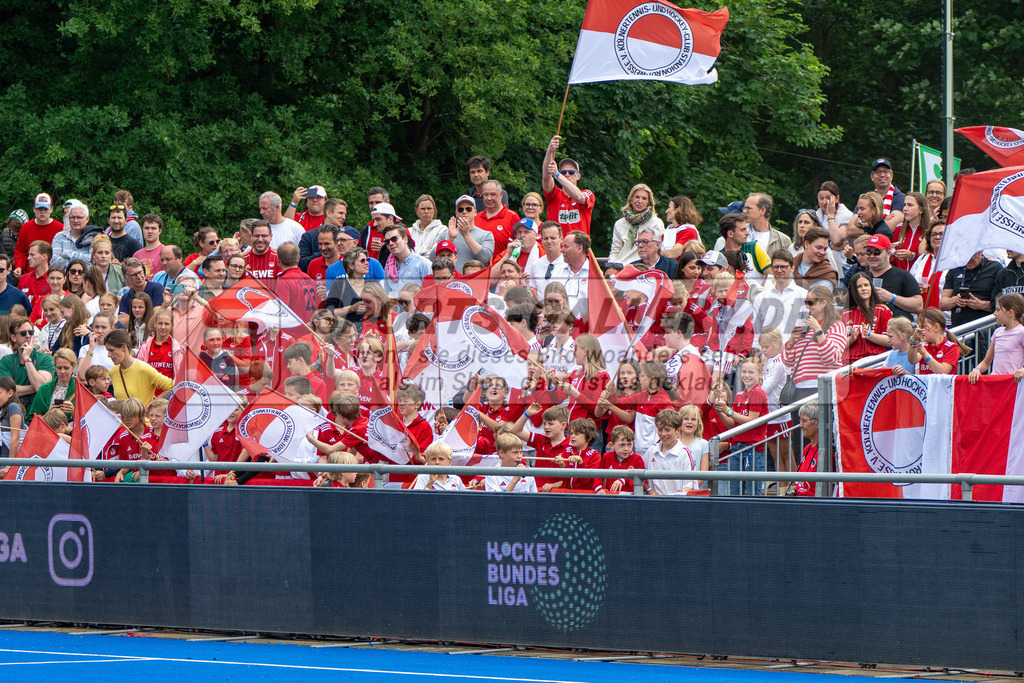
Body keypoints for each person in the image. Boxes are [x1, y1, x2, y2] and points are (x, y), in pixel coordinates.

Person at [782, 286, 845, 456]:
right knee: (800, 439)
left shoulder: (836, 326)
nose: (807, 306)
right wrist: (790, 343)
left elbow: (832, 357)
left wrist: (818, 331)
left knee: (821, 437)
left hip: (821, 389)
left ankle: (821, 479)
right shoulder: (803, 327)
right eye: (806, 302)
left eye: (811, 302)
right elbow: (787, 360)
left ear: (824, 303)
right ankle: (803, 477)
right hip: (799, 390)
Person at [713, 356, 768, 495]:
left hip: (753, 448)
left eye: (751, 372)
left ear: (760, 374)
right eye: (744, 372)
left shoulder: (758, 392)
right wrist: (720, 411)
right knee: (734, 489)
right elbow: (733, 424)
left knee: (752, 490)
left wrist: (727, 410)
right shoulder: (739, 395)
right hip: (738, 446)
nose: (746, 375)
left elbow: (751, 421)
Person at [542, 136, 595, 236]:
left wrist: (558, 175)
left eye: (571, 172)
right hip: (558, 249)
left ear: (578, 176)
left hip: (579, 248)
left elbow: (579, 197)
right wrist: (549, 151)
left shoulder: (587, 193)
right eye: (563, 172)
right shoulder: (555, 195)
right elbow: (546, 177)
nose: (566, 174)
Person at [104, 329, 174, 403]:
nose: (108, 355)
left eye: (111, 350)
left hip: (143, 415)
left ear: (124, 347)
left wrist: (151, 405)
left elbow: (171, 386)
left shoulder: (143, 368)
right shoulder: (113, 371)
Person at [864, 234, 923, 319]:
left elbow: (918, 306)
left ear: (888, 253)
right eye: (869, 252)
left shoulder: (903, 275)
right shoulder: (861, 277)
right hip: (868, 325)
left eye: (877, 252)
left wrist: (891, 297)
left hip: (895, 327)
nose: (872, 256)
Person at [969, 293, 1024, 383]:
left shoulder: (1021, 332)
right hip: (996, 382)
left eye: (998, 310)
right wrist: (977, 369)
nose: (994, 313)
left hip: (1013, 384)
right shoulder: (998, 332)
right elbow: (986, 362)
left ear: (1010, 312)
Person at [0, 317, 55, 408]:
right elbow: (5, 392)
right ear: (13, 337)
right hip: (12, 414)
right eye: (23, 333)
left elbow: (40, 386)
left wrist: (26, 358)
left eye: (31, 332)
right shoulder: (6, 361)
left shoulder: (45, 358)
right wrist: (36, 387)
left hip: (38, 415)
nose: (28, 336)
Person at [642, 408, 697, 495]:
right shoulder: (651, 451)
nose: (663, 434)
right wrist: (650, 490)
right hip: (654, 503)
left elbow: (691, 484)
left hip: (676, 503)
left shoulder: (684, 453)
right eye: (660, 430)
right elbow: (640, 476)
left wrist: (684, 491)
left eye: (667, 430)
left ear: (678, 430)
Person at [941, 251, 1003, 328]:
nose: (969, 260)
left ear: (981, 251)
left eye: (972, 256)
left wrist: (980, 304)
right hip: (959, 327)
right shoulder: (955, 269)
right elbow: (942, 304)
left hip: (984, 327)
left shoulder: (995, 268)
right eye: (965, 257)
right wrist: (955, 300)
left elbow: (1003, 305)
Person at [609, 183, 664, 265]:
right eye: (637, 197)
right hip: (621, 267)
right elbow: (615, 251)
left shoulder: (656, 223)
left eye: (644, 198)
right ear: (631, 199)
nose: (640, 201)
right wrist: (610, 267)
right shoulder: (620, 223)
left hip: (644, 267)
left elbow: (659, 249)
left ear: (649, 202)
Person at [842, 272, 893, 362]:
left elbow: (890, 341)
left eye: (866, 285)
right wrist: (852, 339)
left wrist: (870, 335)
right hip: (849, 362)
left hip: (875, 361)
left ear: (871, 287)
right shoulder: (845, 314)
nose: (864, 289)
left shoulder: (883, 310)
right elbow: (839, 345)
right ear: (853, 290)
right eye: (859, 286)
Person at [13, 193, 63, 277]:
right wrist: (19, 267)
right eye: (39, 209)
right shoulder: (26, 227)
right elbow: (20, 252)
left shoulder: (60, 228)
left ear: (51, 209)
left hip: (53, 275)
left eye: (45, 209)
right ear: (34, 209)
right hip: (30, 275)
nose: (42, 212)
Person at [908, 308, 968, 375]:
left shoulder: (952, 347)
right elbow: (912, 360)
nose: (920, 330)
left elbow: (943, 371)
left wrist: (924, 353)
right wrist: (914, 342)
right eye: (919, 327)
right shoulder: (924, 345)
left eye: (923, 327)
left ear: (936, 327)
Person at [446, 196, 494, 270]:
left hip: (474, 279)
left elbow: (485, 258)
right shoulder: (448, 233)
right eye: (460, 209)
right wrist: (449, 239)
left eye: (468, 209)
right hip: (452, 279)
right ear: (456, 213)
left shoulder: (486, 235)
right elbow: (433, 258)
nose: (464, 212)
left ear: (475, 212)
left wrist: (466, 235)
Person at [382, 224, 431, 297]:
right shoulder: (388, 266)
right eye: (387, 242)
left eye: (394, 239)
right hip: (395, 308)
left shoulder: (423, 264)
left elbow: (431, 294)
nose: (391, 243)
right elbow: (387, 292)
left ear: (405, 239)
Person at [27, 348, 77, 420]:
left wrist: (73, 411)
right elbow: (33, 419)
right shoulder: (44, 389)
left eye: (66, 368)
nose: (62, 371)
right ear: (55, 367)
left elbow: (87, 420)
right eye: (59, 368)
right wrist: (49, 413)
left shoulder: (80, 389)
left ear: (74, 367)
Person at [51, 201, 103, 269]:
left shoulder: (93, 237)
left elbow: (92, 261)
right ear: (69, 219)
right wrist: (80, 264)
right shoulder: (59, 236)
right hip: (63, 279)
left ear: (87, 219)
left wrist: (67, 254)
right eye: (72, 217)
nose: (75, 220)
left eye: (79, 217)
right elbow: (54, 261)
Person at [474, 179, 518, 256]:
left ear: (501, 195)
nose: (489, 198)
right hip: (479, 267)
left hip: (502, 266)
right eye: (486, 194)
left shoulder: (512, 217)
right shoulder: (476, 218)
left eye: (493, 194)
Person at [909, 221, 946, 310]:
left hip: (945, 317)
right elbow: (909, 284)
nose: (937, 237)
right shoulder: (922, 259)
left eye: (941, 234)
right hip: (920, 315)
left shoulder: (955, 262)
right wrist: (915, 288)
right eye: (933, 234)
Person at [136, 308, 182, 381]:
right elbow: (138, 371)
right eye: (160, 323)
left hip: (170, 391)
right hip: (148, 391)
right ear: (155, 324)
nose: (163, 327)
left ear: (172, 326)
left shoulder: (177, 349)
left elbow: (179, 376)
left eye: (166, 324)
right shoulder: (145, 347)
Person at [117, 258, 164, 325]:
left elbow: (157, 316)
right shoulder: (125, 297)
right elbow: (121, 324)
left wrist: (131, 317)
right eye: (134, 275)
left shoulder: (156, 288)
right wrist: (147, 314)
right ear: (126, 277)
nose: (139, 277)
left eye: (140, 272)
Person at [792, 226, 838, 291]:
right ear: (806, 244)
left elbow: (821, 300)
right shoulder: (791, 264)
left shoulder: (827, 274)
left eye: (825, 249)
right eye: (818, 247)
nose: (822, 252)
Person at [893, 192, 930, 271]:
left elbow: (930, 260)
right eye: (904, 205)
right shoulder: (899, 229)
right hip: (900, 278)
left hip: (918, 278)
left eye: (910, 205)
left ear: (921, 210)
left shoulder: (929, 232)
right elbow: (893, 260)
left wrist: (912, 256)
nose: (905, 208)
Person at [527, 221, 567, 294]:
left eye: (553, 238)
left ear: (561, 238)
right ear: (541, 239)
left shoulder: (569, 264)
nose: (549, 241)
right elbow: (533, 291)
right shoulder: (536, 265)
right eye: (546, 238)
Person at [815, 181, 855, 247]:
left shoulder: (846, 216)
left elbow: (836, 240)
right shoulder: (815, 216)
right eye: (821, 198)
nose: (824, 202)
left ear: (837, 198)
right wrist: (831, 246)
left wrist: (830, 215)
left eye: (828, 198)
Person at [793, 401, 820, 497]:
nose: (800, 425)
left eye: (804, 421)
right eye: (800, 421)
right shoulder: (807, 448)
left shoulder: (827, 454)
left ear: (817, 422)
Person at [18, 240, 51, 308]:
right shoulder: (23, 278)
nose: (28, 258)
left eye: (32, 255)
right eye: (29, 255)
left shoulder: (54, 279)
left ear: (44, 257)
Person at [0, 377, 25, 463]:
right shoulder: (1, 409)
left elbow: (15, 438)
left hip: (6, 462)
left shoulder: (13, 407)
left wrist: (9, 466)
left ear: (10, 393)